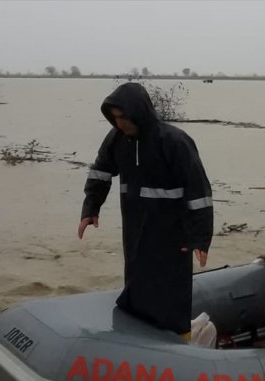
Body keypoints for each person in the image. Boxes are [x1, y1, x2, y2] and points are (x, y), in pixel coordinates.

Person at [78, 82, 213, 342]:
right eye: (114, 118)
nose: (120, 124)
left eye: (124, 118)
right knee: (137, 284)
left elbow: (199, 192)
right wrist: (91, 207)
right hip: (135, 231)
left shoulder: (174, 141)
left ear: (139, 113)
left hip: (174, 235)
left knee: (172, 293)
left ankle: (182, 343)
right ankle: (139, 341)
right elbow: (100, 171)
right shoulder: (117, 140)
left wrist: (200, 237)